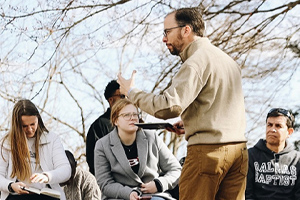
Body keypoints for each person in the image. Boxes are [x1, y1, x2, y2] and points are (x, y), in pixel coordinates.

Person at [117, 7, 248, 200]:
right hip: (239, 154)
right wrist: (190, 124)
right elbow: (219, 107)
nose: (164, 39)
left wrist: (131, 92)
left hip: (207, 154)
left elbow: (168, 106)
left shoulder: (196, 62)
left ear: (186, 30)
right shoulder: (229, 62)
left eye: (167, 32)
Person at [94, 99, 181, 200]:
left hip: (154, 196)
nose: (133, 118)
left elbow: (176, 169)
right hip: (120, 197)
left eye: (135, 114)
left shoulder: (152, 138)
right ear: (115, 120)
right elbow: (105, 183)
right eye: (126, 115)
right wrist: (129, 193)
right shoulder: (102, 145)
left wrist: (159, 184)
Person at [0, 99, 71, 200]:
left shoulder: (51, 138)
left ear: (38, 119)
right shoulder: (6, 142)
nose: (29, 129)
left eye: (33, 124)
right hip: (17, 196)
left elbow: (66, 170)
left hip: (47, 195)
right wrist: (11, 186)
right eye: (24, 126)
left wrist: (47, 176)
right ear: (17, 126)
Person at [246, 108, 300, 200]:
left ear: (289, 132)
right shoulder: (250, 155)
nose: (272, 129)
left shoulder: (297, 160)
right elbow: (247, 194)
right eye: (269, 125)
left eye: (278, 126)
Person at [86, 80, 125, 175]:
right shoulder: (99, 126)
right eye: (122, 96)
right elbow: (94, 161)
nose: (126, 99)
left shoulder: (134, 122)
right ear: (111, 100)